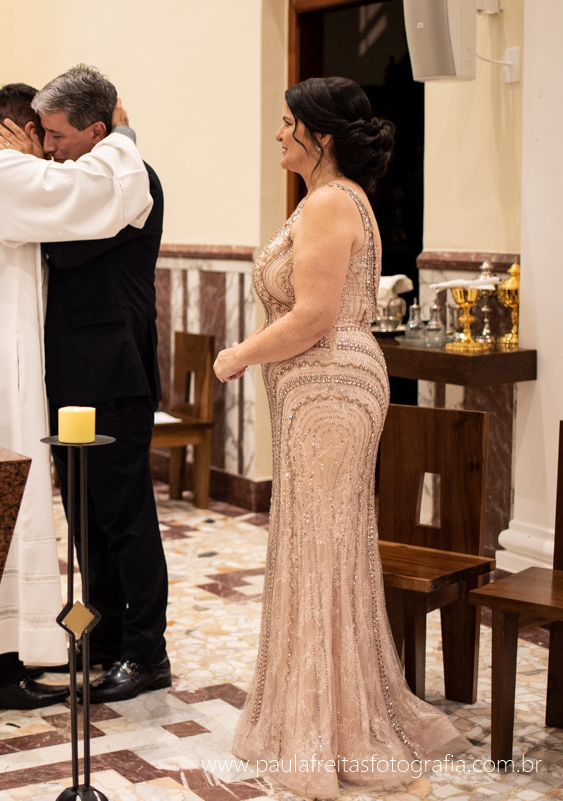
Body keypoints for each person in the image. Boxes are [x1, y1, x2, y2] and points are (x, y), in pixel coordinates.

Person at [214, 77, 466, 796]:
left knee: (322, 547)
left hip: (329, 387)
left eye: (287, 123)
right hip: (317, 386)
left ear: (319, 136)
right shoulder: (335, 199)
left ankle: (329, 726)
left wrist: (238, 354)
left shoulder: (330, 202)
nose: (277, 134)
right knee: (321, 544)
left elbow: (314, 316)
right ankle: (322, 709)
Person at [0, 79, 154, 712]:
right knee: (55, 516)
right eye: (44, 138)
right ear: (24, 132)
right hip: (2, 380)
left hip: (26, 377)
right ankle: (4, 663)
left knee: (113, 516)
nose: (51, 155)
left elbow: (101, 200)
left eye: (59, 138)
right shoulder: (1, 175)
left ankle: (127, 646)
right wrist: (122, 137)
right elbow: (94, 194)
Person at [27, 65, 169, 703]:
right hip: (71, 377)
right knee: (85, 518)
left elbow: (65, 248)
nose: (48, 147)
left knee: (126, 519)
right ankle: (103, 638)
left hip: (115, 375)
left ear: (96, 129)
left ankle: (147, 653)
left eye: (56, 135)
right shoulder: (80, 181)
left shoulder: (131, 183)